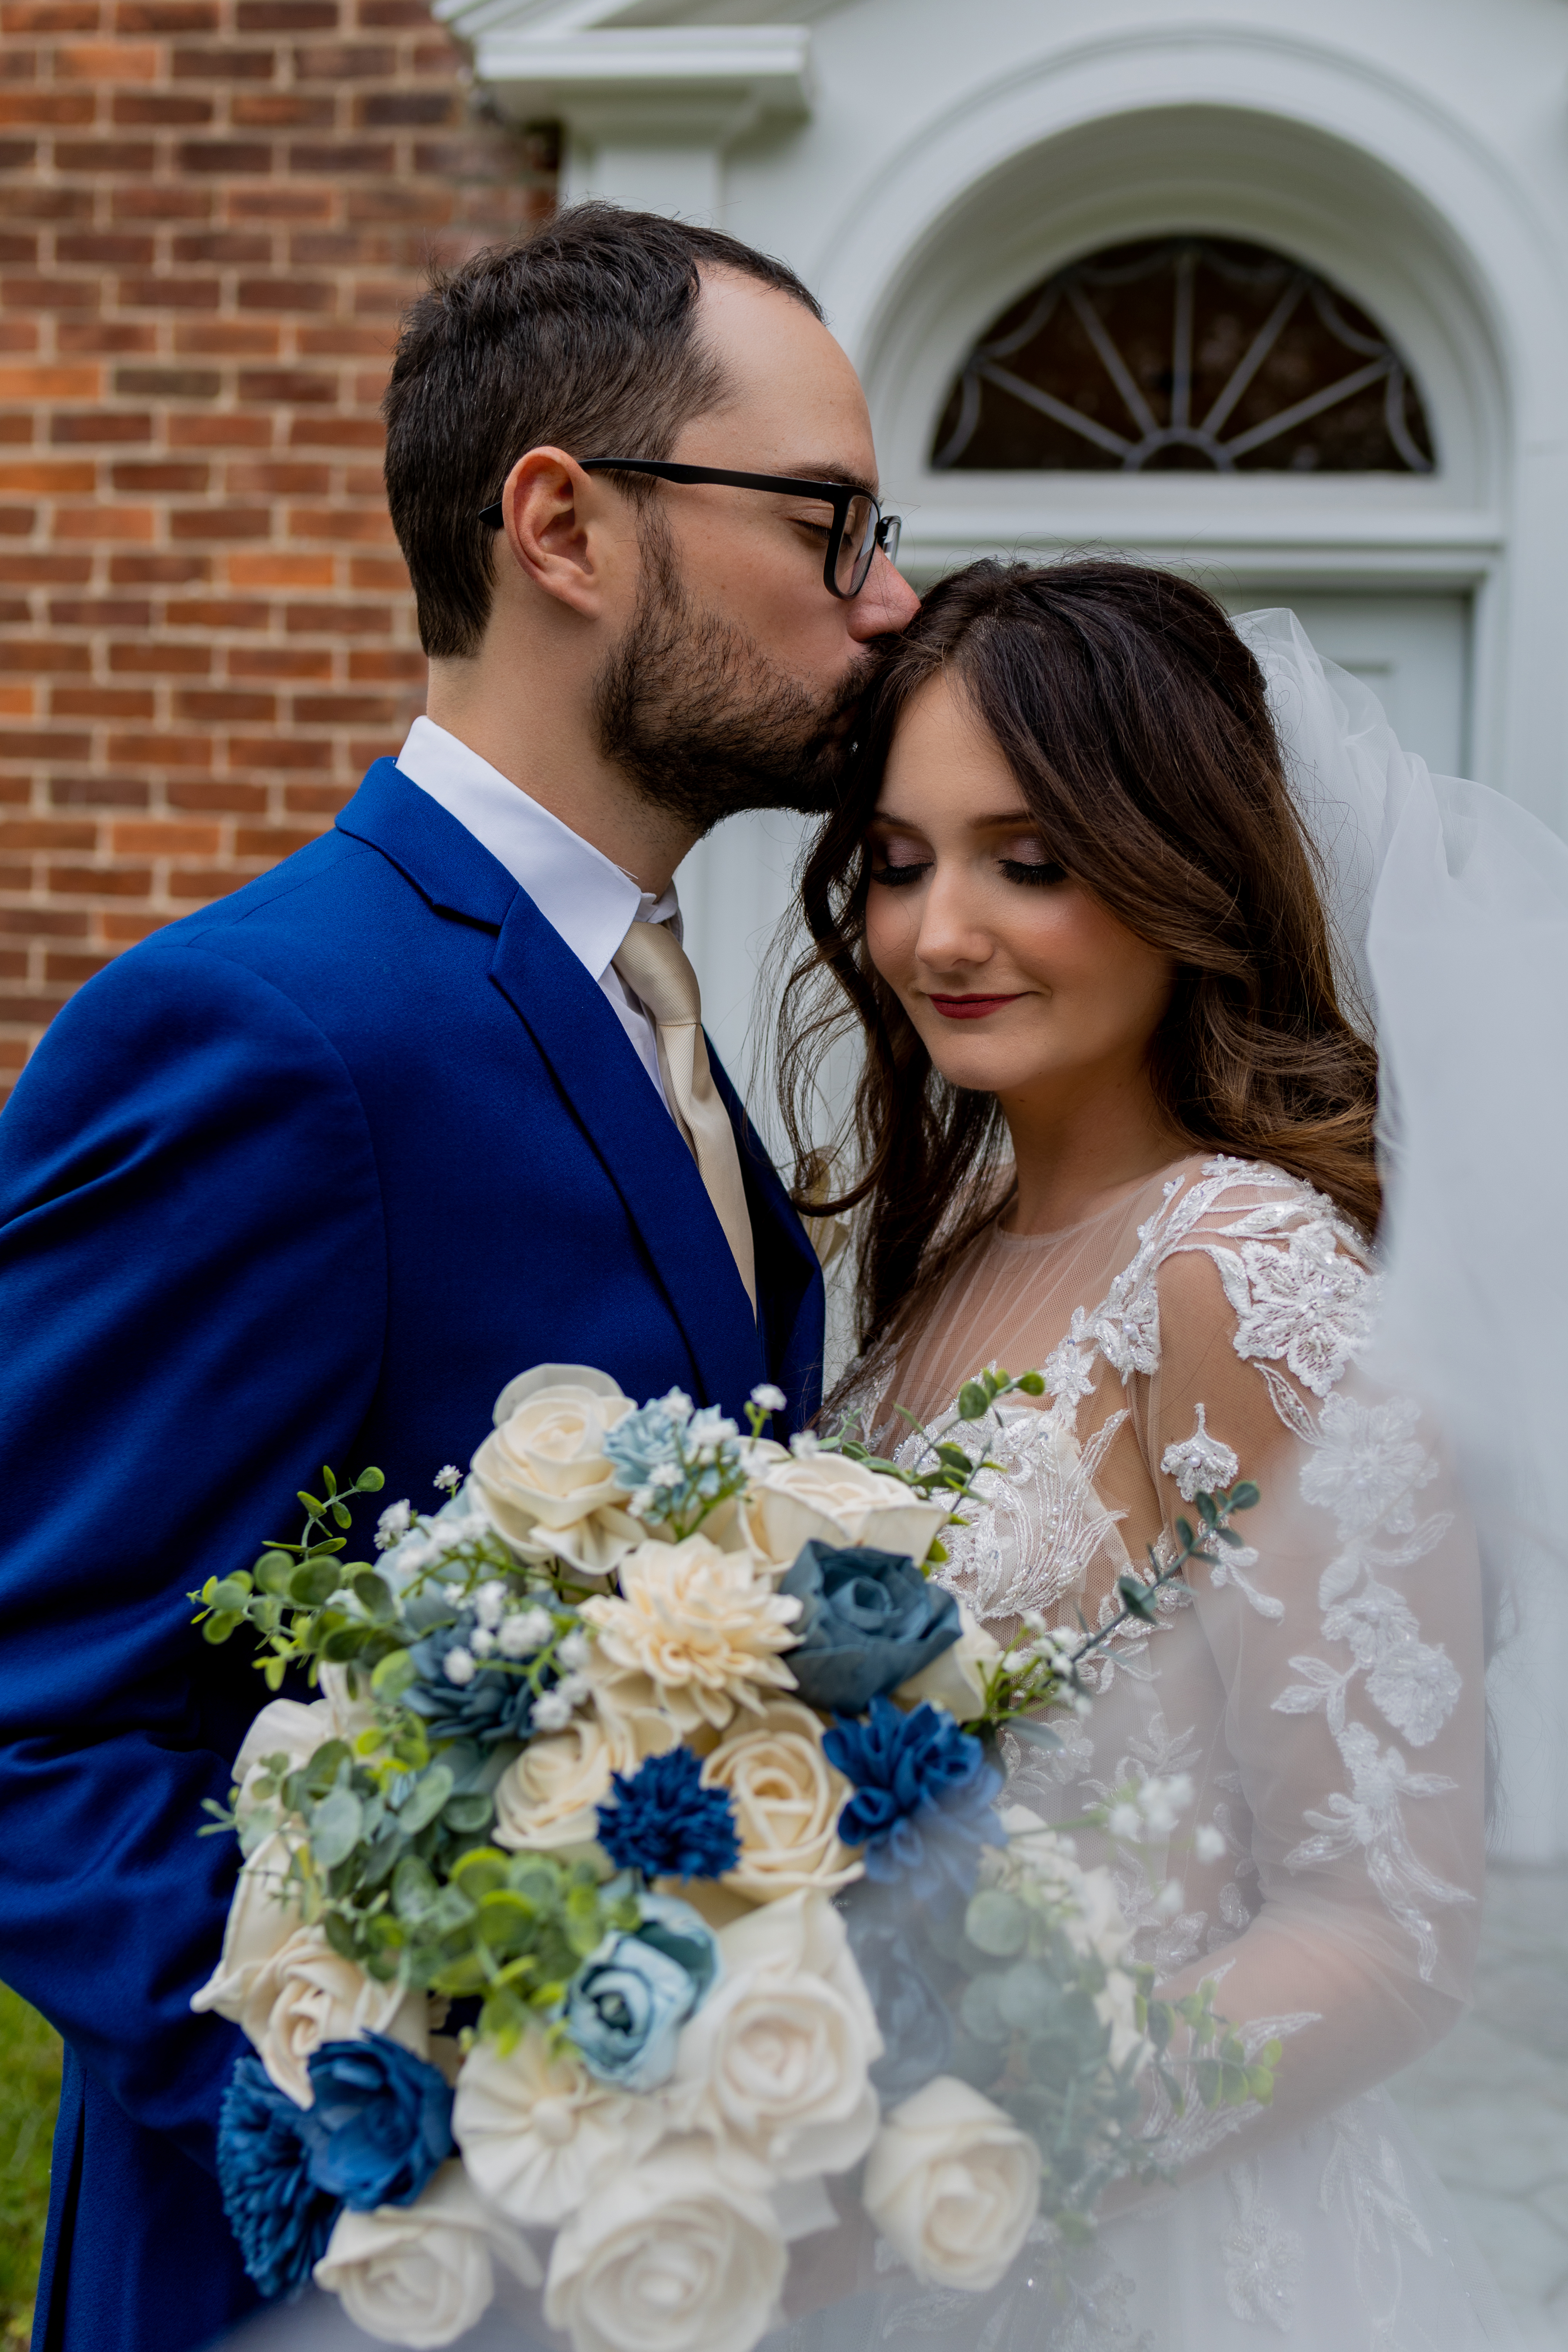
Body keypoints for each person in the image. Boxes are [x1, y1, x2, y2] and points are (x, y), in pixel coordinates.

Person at [0, 203, 915, 2352]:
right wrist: (391, 2103)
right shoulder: (271, 1030)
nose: (885, 604)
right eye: (827, 522)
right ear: (563, 526)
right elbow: (31, 1698)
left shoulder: (662, 1006)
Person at [776, 559, 1528, 2347]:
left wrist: (968, 2158)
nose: (939, 931)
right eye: (898, 862)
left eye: (1026, 861)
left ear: (1177, 869)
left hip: (1132, 2249)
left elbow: (1383, 1926)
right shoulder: (944, 1260)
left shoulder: (1234, 1272)